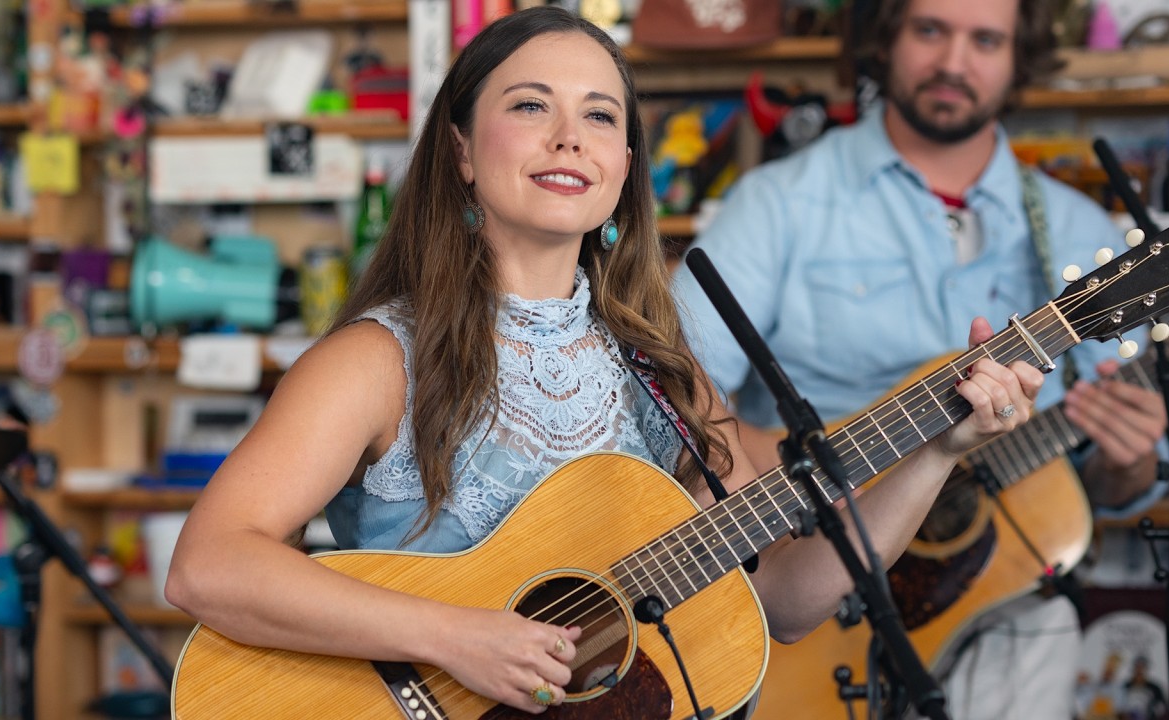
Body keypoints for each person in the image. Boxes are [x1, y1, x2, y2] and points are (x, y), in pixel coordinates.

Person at [164, 5, 1042, 717]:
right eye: (529, 105)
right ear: (463, 150)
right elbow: (208, 566)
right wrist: (454, 636)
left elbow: (784, 600)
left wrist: (936, 451)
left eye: (599, 115)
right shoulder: (377, 359)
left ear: (625, 165)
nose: (568, 137)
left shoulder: (659, 371)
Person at [672, 0, 1168, 718]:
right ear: (888, 38)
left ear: (1018, 56)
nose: (954, 62)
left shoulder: (1078, 233)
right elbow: (671, 391)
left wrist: (1128, 462)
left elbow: (1101, 487)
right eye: (931, 29)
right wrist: (821, 475)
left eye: (986, 39)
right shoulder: (780, 203)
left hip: (1008, 604)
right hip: (811, 593)